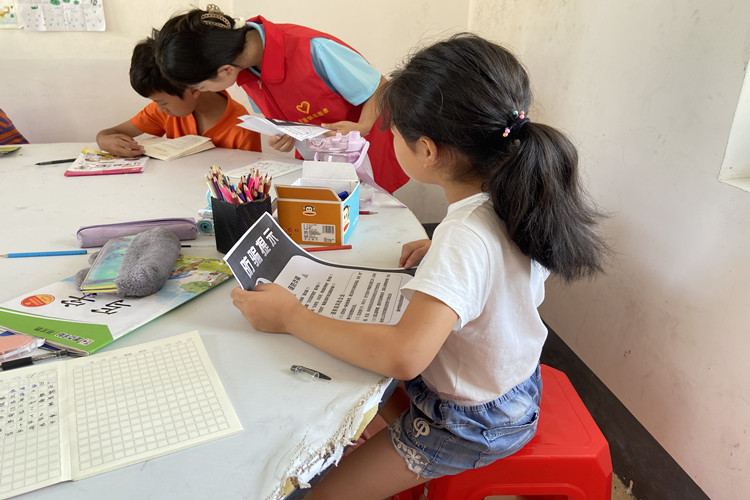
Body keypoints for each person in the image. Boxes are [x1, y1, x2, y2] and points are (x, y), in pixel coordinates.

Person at [230, 33, 608, 499]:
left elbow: (404, 356)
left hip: (470, 423)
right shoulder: (516, 194)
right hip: (512, 385)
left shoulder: (466, 235)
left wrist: (291, 316)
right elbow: (493, 263)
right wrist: (442, 253)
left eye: (392, 133)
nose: (388, 140)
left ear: (427, 151)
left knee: (313, 495)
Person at [153, 5, 409, 194]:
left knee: (373, 215)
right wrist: (286, 134)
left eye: (201, 87)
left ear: (224, 71)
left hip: (363, 152)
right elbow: (284, 114)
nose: (202, 92)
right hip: (319, 158)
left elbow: (380, 87)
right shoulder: (245, 70)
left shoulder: (312, 49)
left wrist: (362, 126)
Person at [96, 37, 261, 157]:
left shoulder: (243, 127)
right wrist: (103, 140)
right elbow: (110, 133)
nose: (160, 108)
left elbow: (250, 179)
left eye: (162, 102)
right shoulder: (162, 112)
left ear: (192, 89)